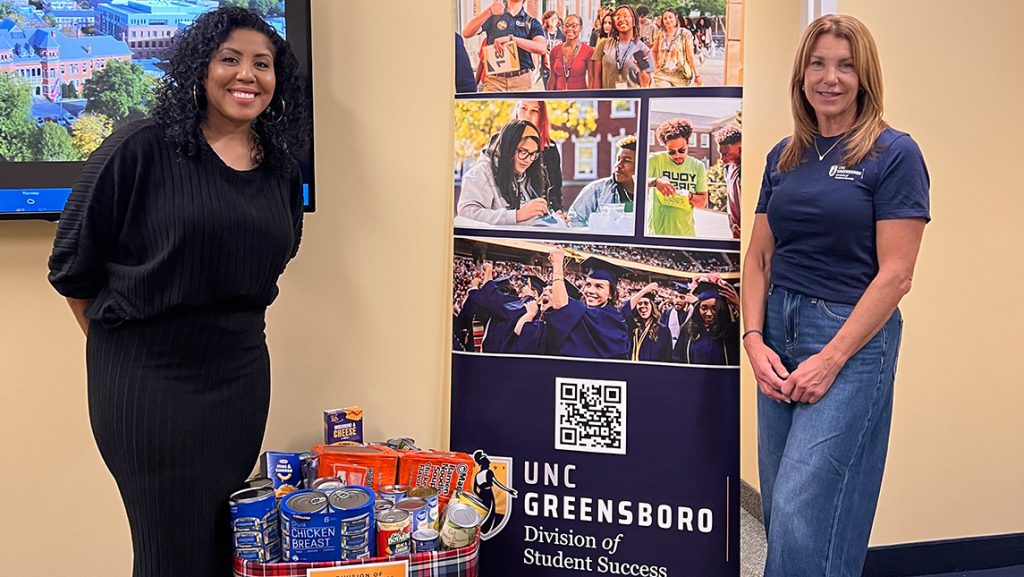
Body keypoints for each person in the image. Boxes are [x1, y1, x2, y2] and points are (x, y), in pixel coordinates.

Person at [46, 7, 310, 577]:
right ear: (200, 68)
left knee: (221, 542)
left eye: (262, 64)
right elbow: (72, 268)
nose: (247, 75)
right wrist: (126, 350)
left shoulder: (282, 169)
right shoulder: (139, 147)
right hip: (148, 385)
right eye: (230, 59)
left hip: (239, 378)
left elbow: (275, 257)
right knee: (171, 554)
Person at [742, 14, 929, 577]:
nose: (831, 77)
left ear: (864, 76)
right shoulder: (785, 156)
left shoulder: (894, 154)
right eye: (818, 64)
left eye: (846, 65)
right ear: (801, 76)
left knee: (805, 507)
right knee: (783, 505)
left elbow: (897, 275)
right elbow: (758, 258)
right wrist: (754, 339)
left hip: (848, 338)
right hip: (778, 330)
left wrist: (832, 357)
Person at [457, 120, 550, 226]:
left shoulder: (526, 175)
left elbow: (527, 220)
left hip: (524, 242)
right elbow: (466, 213)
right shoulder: (481, 173)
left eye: (533, 154)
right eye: (523, 152)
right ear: (508, 148)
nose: (528, 160)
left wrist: (549, 219)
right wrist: (516, 215)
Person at [544, 249, 629, 359]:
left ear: (611, 294)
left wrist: (557, 265)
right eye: (588, 285)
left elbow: (560, 305)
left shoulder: (611, 318)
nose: (590, 291)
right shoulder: (583, 311)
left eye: (599, 286)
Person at [462, 0, 547, 93]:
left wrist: (511, 39)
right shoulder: (493, 16)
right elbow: (466, 33)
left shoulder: (530, 22)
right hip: (495, 80)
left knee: (519, 106)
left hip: (521, 80)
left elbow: (542, 48)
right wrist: (489, 11)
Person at [646, 117, 709, 237]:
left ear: (688, 143)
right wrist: (655, 182)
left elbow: (702, 203)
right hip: (657, 234)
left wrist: (689, 196)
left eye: (681, 150)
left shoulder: (698, 166)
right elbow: (634, 181)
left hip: (686, 234)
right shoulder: (654, 160)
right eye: (671, 152)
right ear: (665, 147)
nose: (677, 155)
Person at [504, 101, 564, 212]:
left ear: (541, 116)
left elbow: (555, 193)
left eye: (534, 111)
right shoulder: (501, 142)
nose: (527, 115)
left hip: (542, 216)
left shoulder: (550, 149)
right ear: (517, 110)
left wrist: (557, 212)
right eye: (524, 108)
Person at [566, 135, 636, 227]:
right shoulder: (596, 190)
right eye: (618, 159)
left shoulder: (650, 194)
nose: (618, 165)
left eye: (626, 160)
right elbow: (575, 220)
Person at [674, 280, 740, 365]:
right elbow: (677, 358)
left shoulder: (731, 331)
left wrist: (738, 305)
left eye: (714, 308)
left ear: (722, 309)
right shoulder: (688, 330)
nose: (709, 314)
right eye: (704, 308)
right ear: (698, 308)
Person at [590, 5, 652, 89]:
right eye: (618, 17)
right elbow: (596, 76)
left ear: (634, 21)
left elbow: (646, 85)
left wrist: (642, 70)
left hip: (632, 99)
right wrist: (597, 98)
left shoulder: (642, 49)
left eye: (625, 16)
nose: (621, 19)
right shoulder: (604, 44)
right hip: (607, 98)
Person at [622, 282, 672, 362]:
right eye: (639, 304)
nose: (642, 306)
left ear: (652, 307)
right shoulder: (633, 327)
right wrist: (644, 290)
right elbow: (624, 311)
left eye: (646, 303)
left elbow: (667, 358)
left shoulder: (663, 330)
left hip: (654, 372)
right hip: (633, 371)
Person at [651, 8, 700, 87]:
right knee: (663, 94)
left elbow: (690, 56)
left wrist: (697, 75)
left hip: (681, 76)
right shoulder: (660, 34)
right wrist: (656, 66)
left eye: (670, 17)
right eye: (665, 18)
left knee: (675, 98)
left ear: (676, 18)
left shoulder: (685, 33)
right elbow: (654, 51)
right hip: (662, 74)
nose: (668, 20)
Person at [547, 14, 594, 91]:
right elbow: (552, 78)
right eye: (567, 25)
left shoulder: (588, 51)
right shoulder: (554, 51)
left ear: (580, 28)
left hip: (579, 98)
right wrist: (548, 98)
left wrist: (589, 98)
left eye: (574, 26)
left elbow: (591, 78)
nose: (569, 29)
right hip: (559, 98)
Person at [715, 126, 742, 239]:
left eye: (726, 154)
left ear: (740, 148)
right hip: (735, 230)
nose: (722, 158)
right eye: (720, 153)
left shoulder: (747, 170)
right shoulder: (728, 168)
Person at [660, 281, 696, 349]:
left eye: (682, 298)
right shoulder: (667, 313)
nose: (677, 300)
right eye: (676, 297)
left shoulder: (693, 313)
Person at [540, 10, 564, 89]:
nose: (554, 20)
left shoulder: (562, 34)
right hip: (546, 69)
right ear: (546, 20)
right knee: (548, 91)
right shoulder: (542, 33)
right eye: (551, 18)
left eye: (555, 18)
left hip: (559, 69)